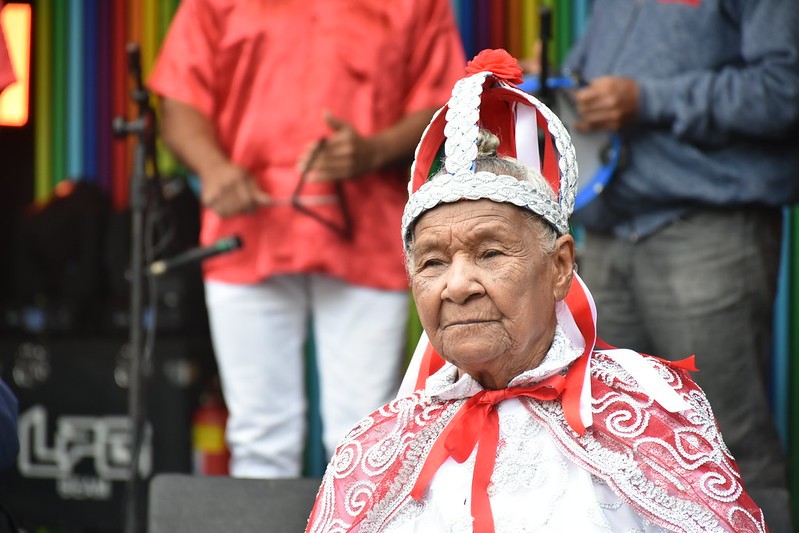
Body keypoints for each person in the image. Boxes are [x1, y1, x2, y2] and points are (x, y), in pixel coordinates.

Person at [305, 49, 767, 533]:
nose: (457, 286)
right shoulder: (375, 449)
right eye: (433, 262)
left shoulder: (651, 413)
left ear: (560, 266)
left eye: (490, 253)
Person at [147, 0, 466, 478]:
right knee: (258, 439)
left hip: (366, 236)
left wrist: (374, 149)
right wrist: (214, 169)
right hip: (246, 234)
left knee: (363, 438)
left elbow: (443, 102)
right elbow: (179, 100)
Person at [557, 1, 799, 530]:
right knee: (613, 441)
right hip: (611, 235)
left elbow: (785, 89)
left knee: (727, 444)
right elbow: (601, 74)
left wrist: (647, 100)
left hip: (706, 231)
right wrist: (564, 83)